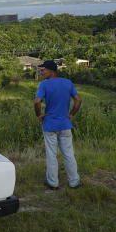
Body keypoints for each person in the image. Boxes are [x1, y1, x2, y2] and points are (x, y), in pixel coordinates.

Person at [34, 60, 81, 190]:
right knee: (68, 154)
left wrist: (39, 115)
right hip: (65, 125)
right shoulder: (68, 83)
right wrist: (71, 115)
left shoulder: (44, 85)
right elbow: (78, 100)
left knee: (51, 154)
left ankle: (53, 183)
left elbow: (37, 102)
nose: (41, 72)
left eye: (43, 70)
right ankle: (74, 182)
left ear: (51, 70)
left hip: (50, 125)